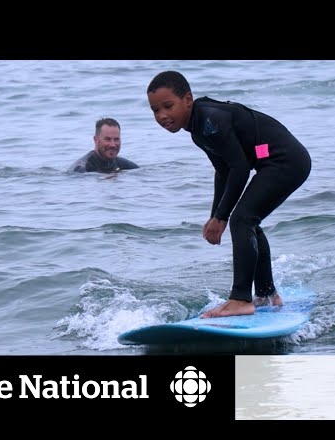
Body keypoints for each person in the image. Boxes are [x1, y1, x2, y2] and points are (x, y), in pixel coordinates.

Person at [147, 71, 311, 319]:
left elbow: (240, 168)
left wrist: (222, 218)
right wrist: (214, 215)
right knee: (248, 220)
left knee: (242, 219)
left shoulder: (210, 122)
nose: (162, 116)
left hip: (286, 161)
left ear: (188, 99)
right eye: (155, 110)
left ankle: (240, 299)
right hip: (273, 162)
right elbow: (223, 170)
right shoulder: (197, 129)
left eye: (168, 106)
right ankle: (267, 294)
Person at [66, 118, 139, 174]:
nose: (113, 145)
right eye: (107, 139)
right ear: (96, 140)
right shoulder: (81, 169)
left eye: (116, 139)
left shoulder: (124, 165)